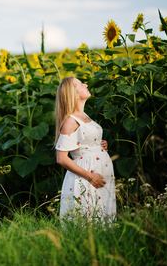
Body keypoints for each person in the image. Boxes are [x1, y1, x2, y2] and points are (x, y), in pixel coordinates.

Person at [54, 76, 116, 223]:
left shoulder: (84, 116)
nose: (86, 84)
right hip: (86, 176)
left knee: (101, 217)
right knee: (89, 219)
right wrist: (90, 176)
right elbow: (61, 158)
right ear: (73, 94)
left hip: (96, 174)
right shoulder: (70, 121)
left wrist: (99, 145)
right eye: (81, 84)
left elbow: (84, 141)